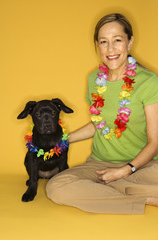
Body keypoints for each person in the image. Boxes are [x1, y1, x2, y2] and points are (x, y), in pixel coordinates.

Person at [46, 13, 158, 214]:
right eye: (104, 42)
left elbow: (154, 141)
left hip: (142, 166)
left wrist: (124, 170)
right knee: (56, 187)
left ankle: (111, 188)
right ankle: (144, 198)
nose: (111, 49)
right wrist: (63, 140)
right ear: (97, 45)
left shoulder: (149, 82)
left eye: (117, 40)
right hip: (100, 165)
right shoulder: (94, 80)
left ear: (129, 42)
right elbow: (99, 123)